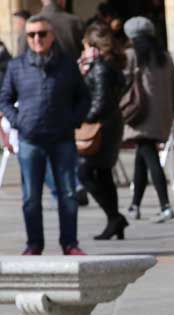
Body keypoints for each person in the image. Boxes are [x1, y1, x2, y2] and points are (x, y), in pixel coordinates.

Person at [0, 15, 90, 255]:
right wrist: (19, 122)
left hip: (62, 138)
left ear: (52, 36)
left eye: (42, 34)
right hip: (30, 139)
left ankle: (70, 243)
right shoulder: (17, 66)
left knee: (68, 194)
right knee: (31, 196)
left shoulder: (67, 65)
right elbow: (5, 99)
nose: (37, 39)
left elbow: (83, 97)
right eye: (31, 35)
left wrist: (73, 120)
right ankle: (34, 244)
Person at [123, 16, 174, 224]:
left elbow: (122, 83)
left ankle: (165, 206)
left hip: (140, 114)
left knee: (150, 156)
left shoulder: (130, 55)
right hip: (161, 115)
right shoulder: (164, 56)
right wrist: (172, 109)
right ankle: (134, 206)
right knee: (142, 156)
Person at [78, 23, 127, 241]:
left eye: (85, 44)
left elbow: (101, 101)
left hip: (101, 127)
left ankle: (114, 217)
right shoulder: (107, 64)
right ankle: (114, 221)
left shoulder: (100, 67)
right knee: (104, 174)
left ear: (93, 44)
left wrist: (82, 119)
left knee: (84, 172)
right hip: (109, 124)